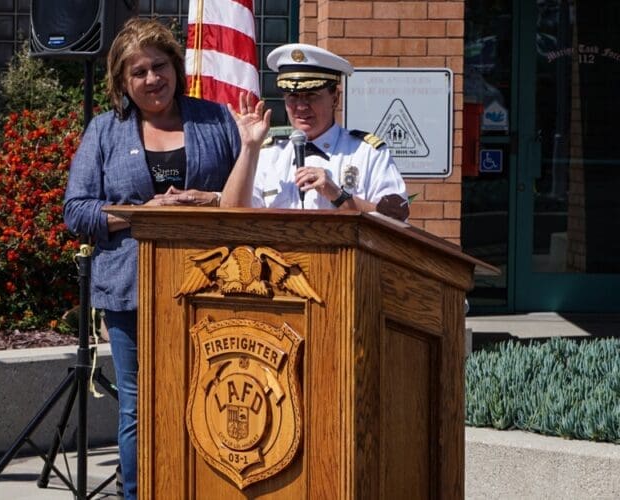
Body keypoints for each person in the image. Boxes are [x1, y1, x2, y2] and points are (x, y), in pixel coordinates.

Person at [62, 18, 269, 500]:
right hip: (132, 290)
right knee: (139, 405)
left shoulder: (216, 119)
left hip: (213, 285)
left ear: (176, 68)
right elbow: (76, 211)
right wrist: (142, 214)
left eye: (159, 67)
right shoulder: (105, 130)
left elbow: (246, 204)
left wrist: (216, 193)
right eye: (139, 73)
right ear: (122, 81)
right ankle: (138, 494)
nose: (152, 79)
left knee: (212, 394)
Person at [221, 43, 409, 220]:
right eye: (293, 97)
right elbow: (229, 215)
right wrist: (248, 147)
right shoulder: (268, 154)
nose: (301, 107)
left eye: (312, 95)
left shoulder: (366, 153)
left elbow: (395, 221)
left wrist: (336, 194)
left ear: (335, 98)